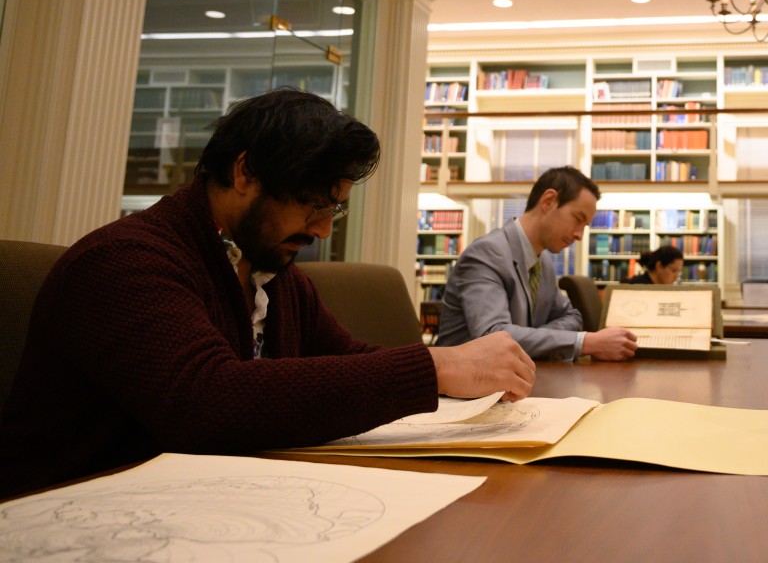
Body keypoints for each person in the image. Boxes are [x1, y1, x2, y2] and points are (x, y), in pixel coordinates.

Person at [0, 89, 535, 499]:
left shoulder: (272, 274)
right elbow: (206, 399)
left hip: (204, 497)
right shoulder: (125, 263)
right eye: (312, 205)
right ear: (244, 172)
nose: (324, 229)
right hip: (75, 511)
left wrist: (461, 375)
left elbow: (344, 358)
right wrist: (431, 369)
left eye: (336, 209)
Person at [436, 166, 638, 361]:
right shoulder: (487, 254)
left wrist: (530, 337)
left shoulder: (543, 261)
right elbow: (492, 335)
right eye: (578, 219)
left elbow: (572, 317)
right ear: (549, 201)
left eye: (584, 226)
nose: (579, 235)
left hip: (511, 380)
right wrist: (584, 343)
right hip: (464, 388)